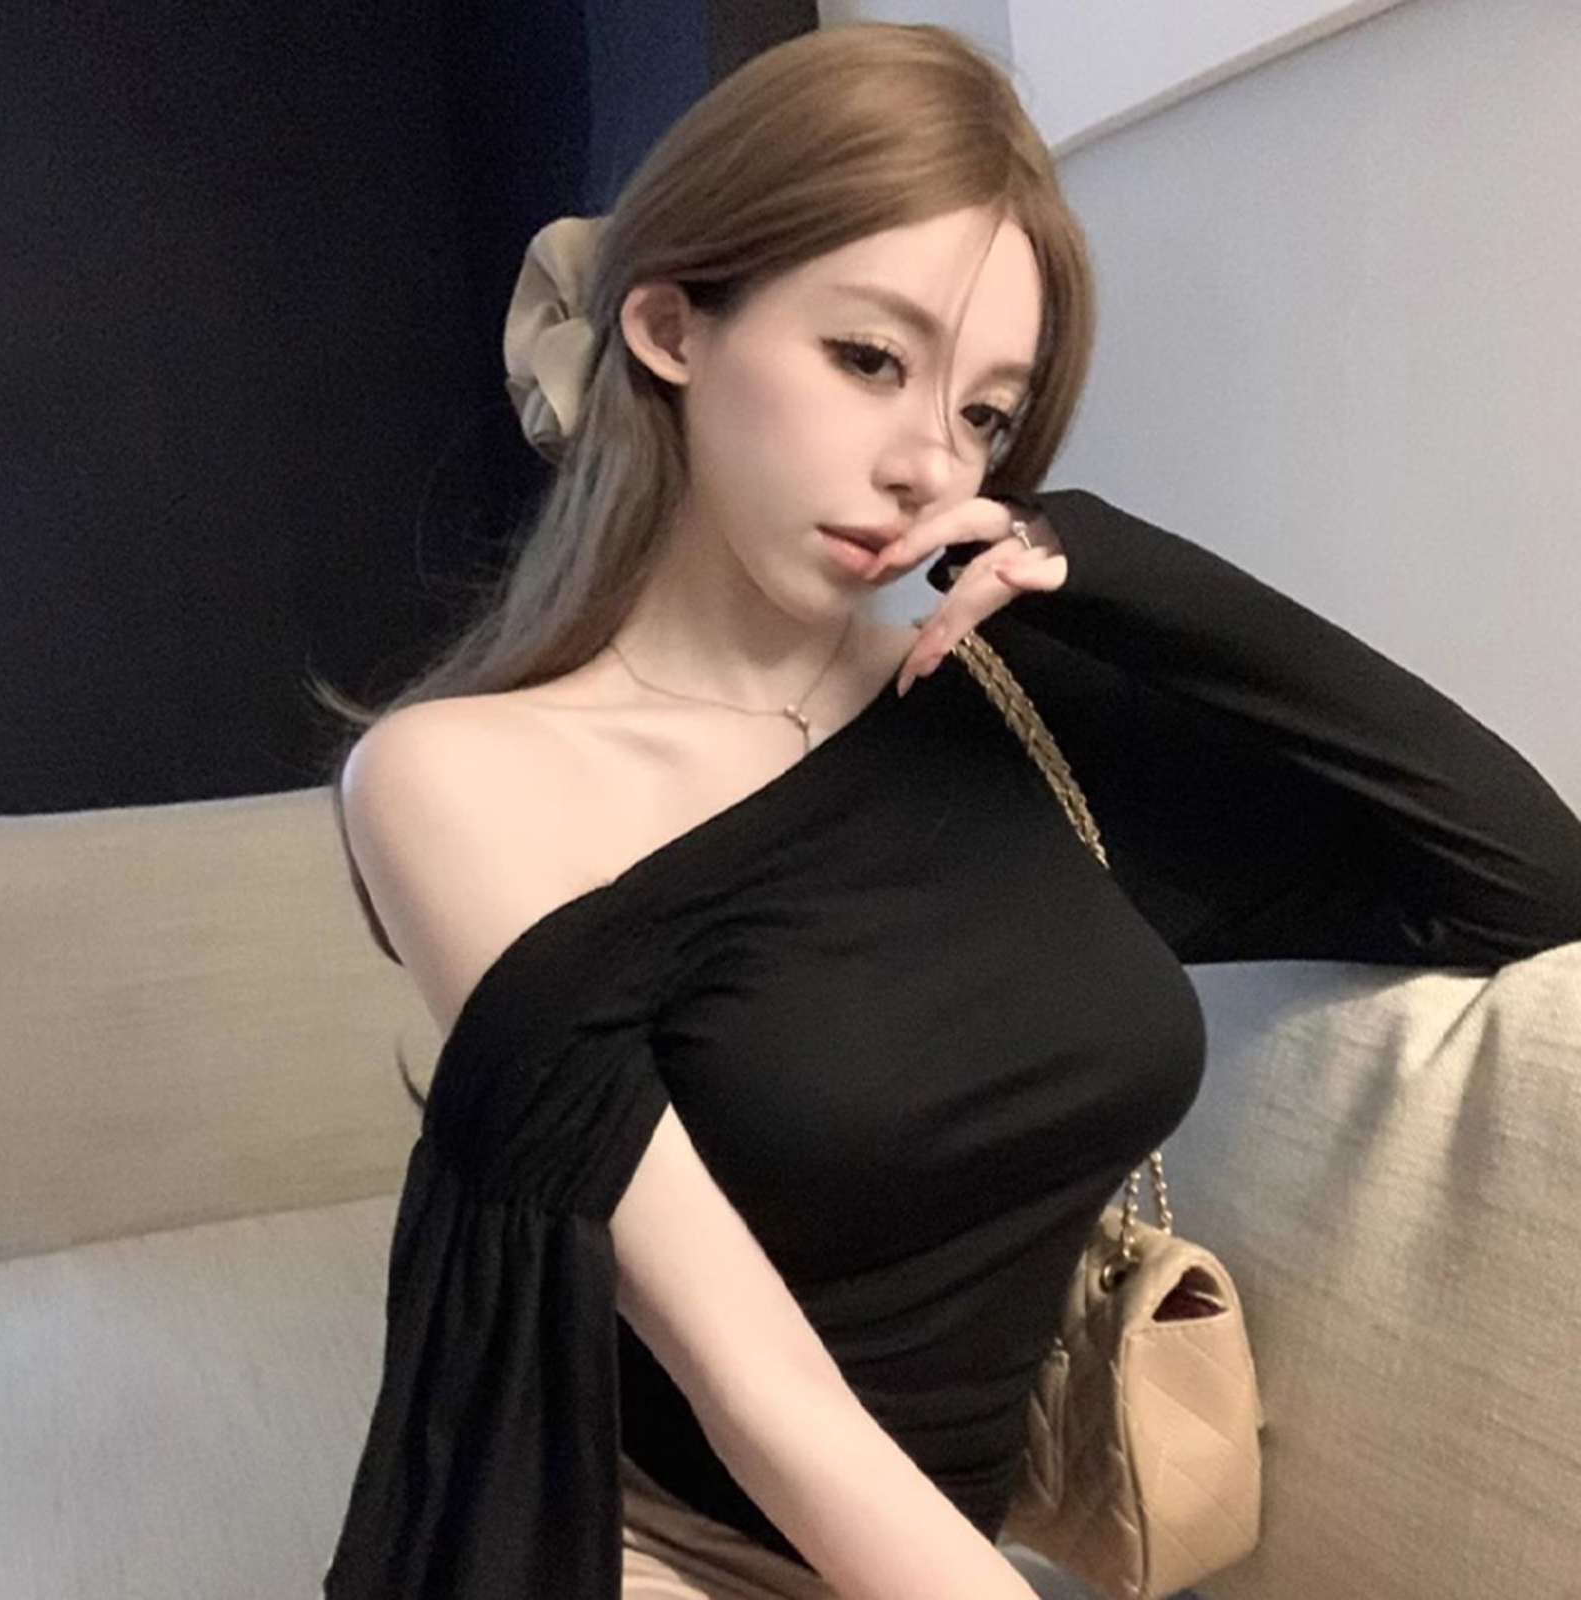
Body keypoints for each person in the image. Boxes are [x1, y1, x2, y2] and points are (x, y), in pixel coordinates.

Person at [308, 22, 1581, 1600]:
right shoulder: (458, 780)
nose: (928, 462)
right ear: (671, 326)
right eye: (869, 359)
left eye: (986, 414)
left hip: (953, 1547)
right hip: (648, 1543)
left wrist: (1104, 561)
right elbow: (757, 1388)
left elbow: (1519, 876)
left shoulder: (1001, 713)